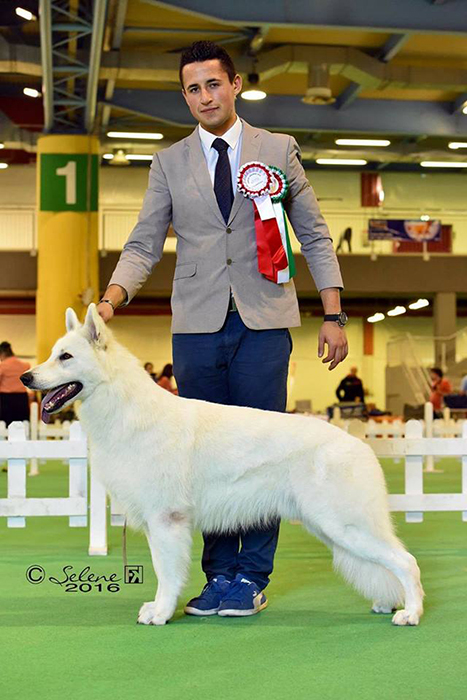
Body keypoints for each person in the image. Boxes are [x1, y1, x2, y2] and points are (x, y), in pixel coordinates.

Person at [96, 41, 348, 618]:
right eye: (193, 89)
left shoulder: (278, 150)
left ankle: (250, 577)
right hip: (196, 327)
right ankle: (216, 578)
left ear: (234, 85)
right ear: (184, 97)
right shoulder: (168, 163)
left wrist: (332, 314)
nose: (205, 97)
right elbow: (142, 244)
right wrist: (111, 300)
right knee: (198, 461)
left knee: (262, 454)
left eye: (214, 84)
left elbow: (314, 234)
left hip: (264, 322)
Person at [0, 341, 31, 426]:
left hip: (6, 400)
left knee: (6, 426)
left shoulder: (2, 366)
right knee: (22, 425)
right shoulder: (25, 365)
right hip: (22, 399)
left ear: (2, 354)